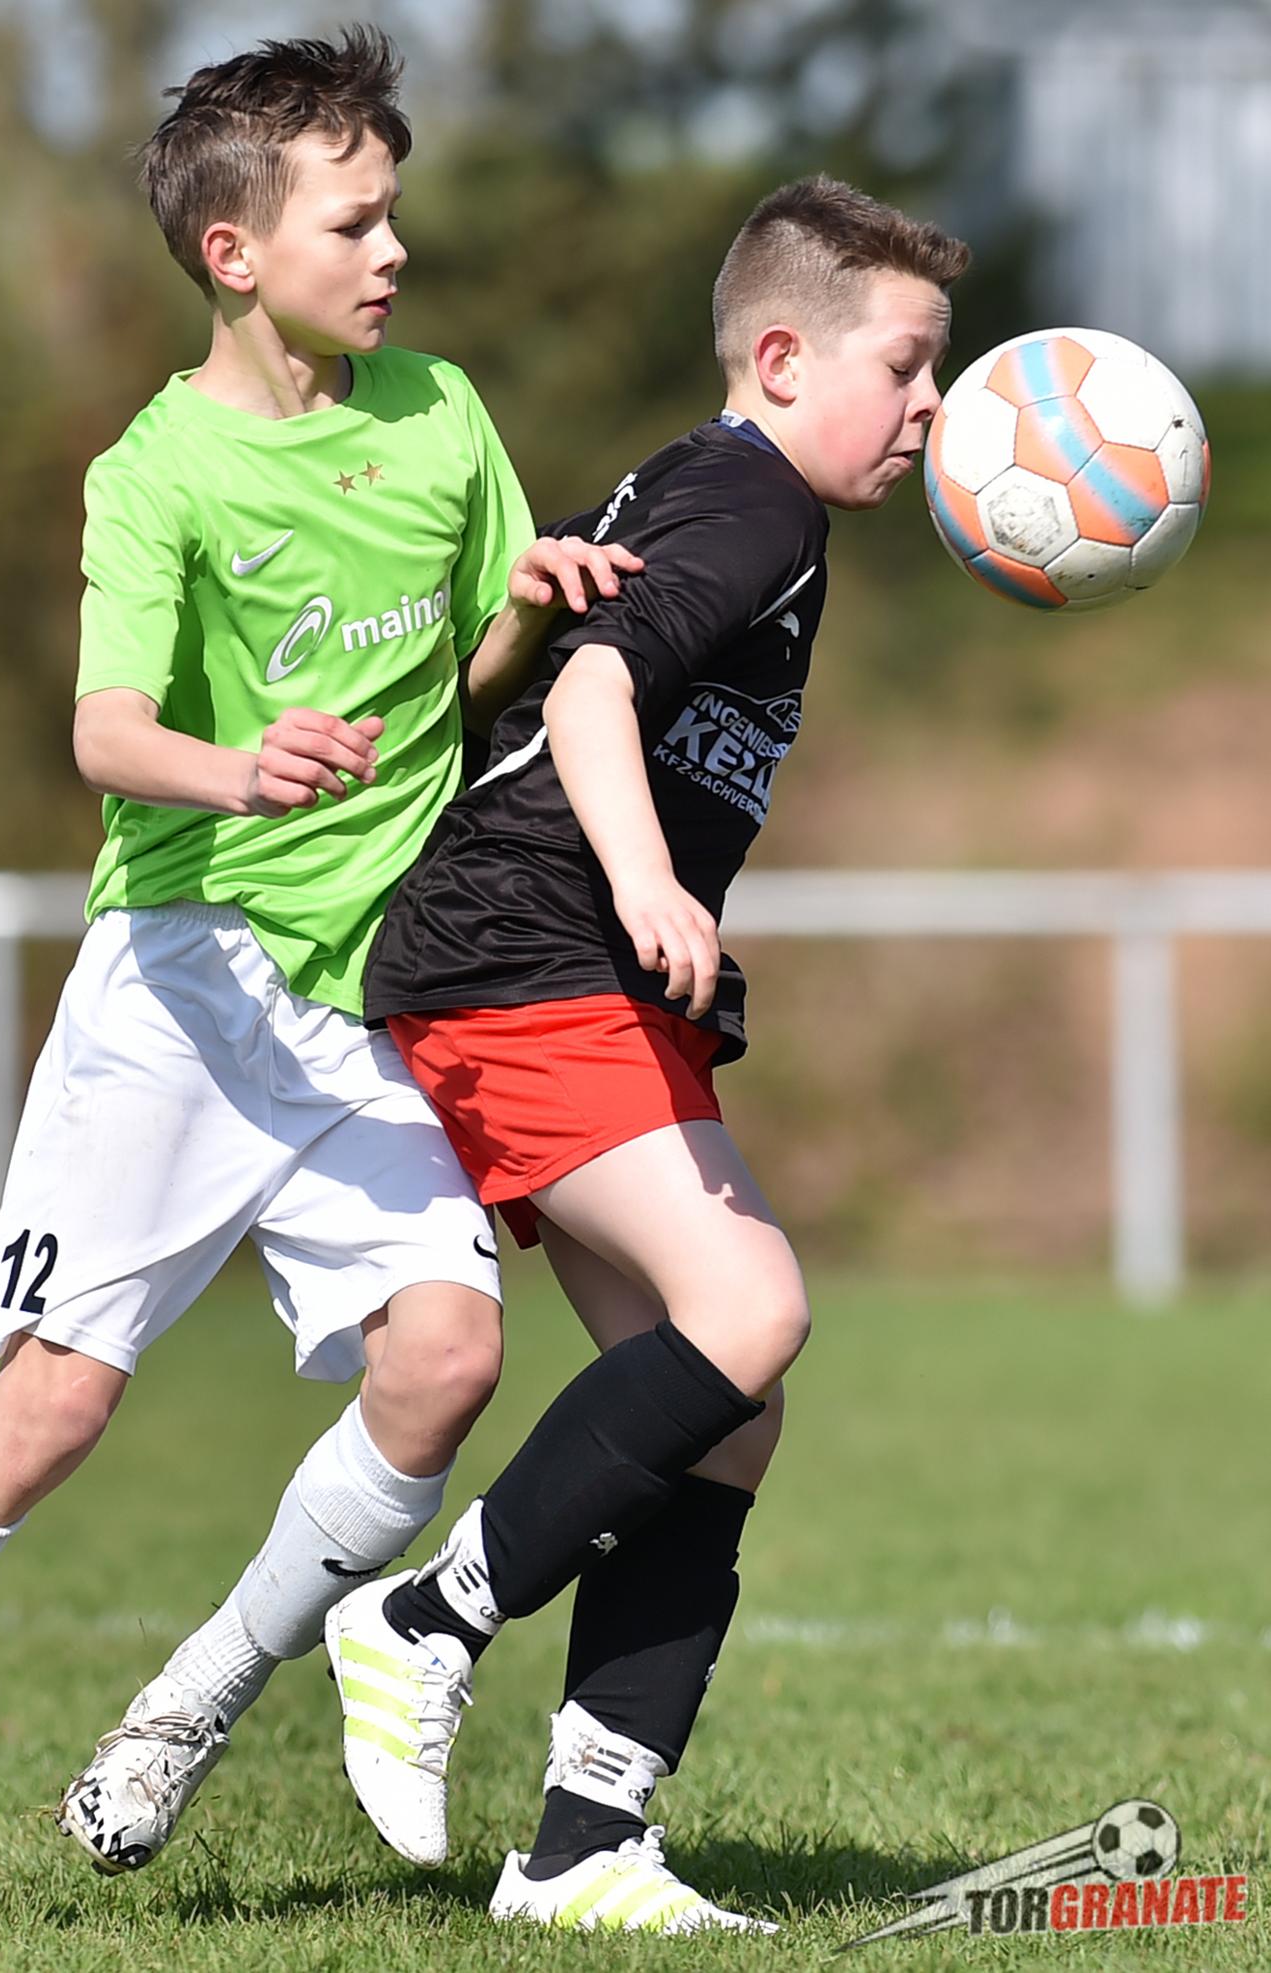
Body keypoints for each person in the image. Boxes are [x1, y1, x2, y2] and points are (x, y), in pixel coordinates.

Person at [0, 29, 638, 1937]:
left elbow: (457, 684)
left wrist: (526, 609)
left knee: (448, 1360)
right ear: (235, 252)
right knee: (50, 1411)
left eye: (393, 213)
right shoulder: (157, 473)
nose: (392, 249)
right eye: (352, 222)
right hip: (185, 986)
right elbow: (106, 732)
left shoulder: (441, 412)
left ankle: (194, 1701)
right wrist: (243, 765)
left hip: (372, 996)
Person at [325, 174, 969, 1935]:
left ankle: (586, 1845)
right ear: (784, 357)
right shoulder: (756, 502)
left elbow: (521, 678)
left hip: (558, 963)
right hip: (532, 951)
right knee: (751, 1309)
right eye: (906, 367)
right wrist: (645, 880)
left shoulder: (715, 487)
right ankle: (426, 1618)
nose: (933, 407)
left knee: (729, 1415)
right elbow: (599, 693)